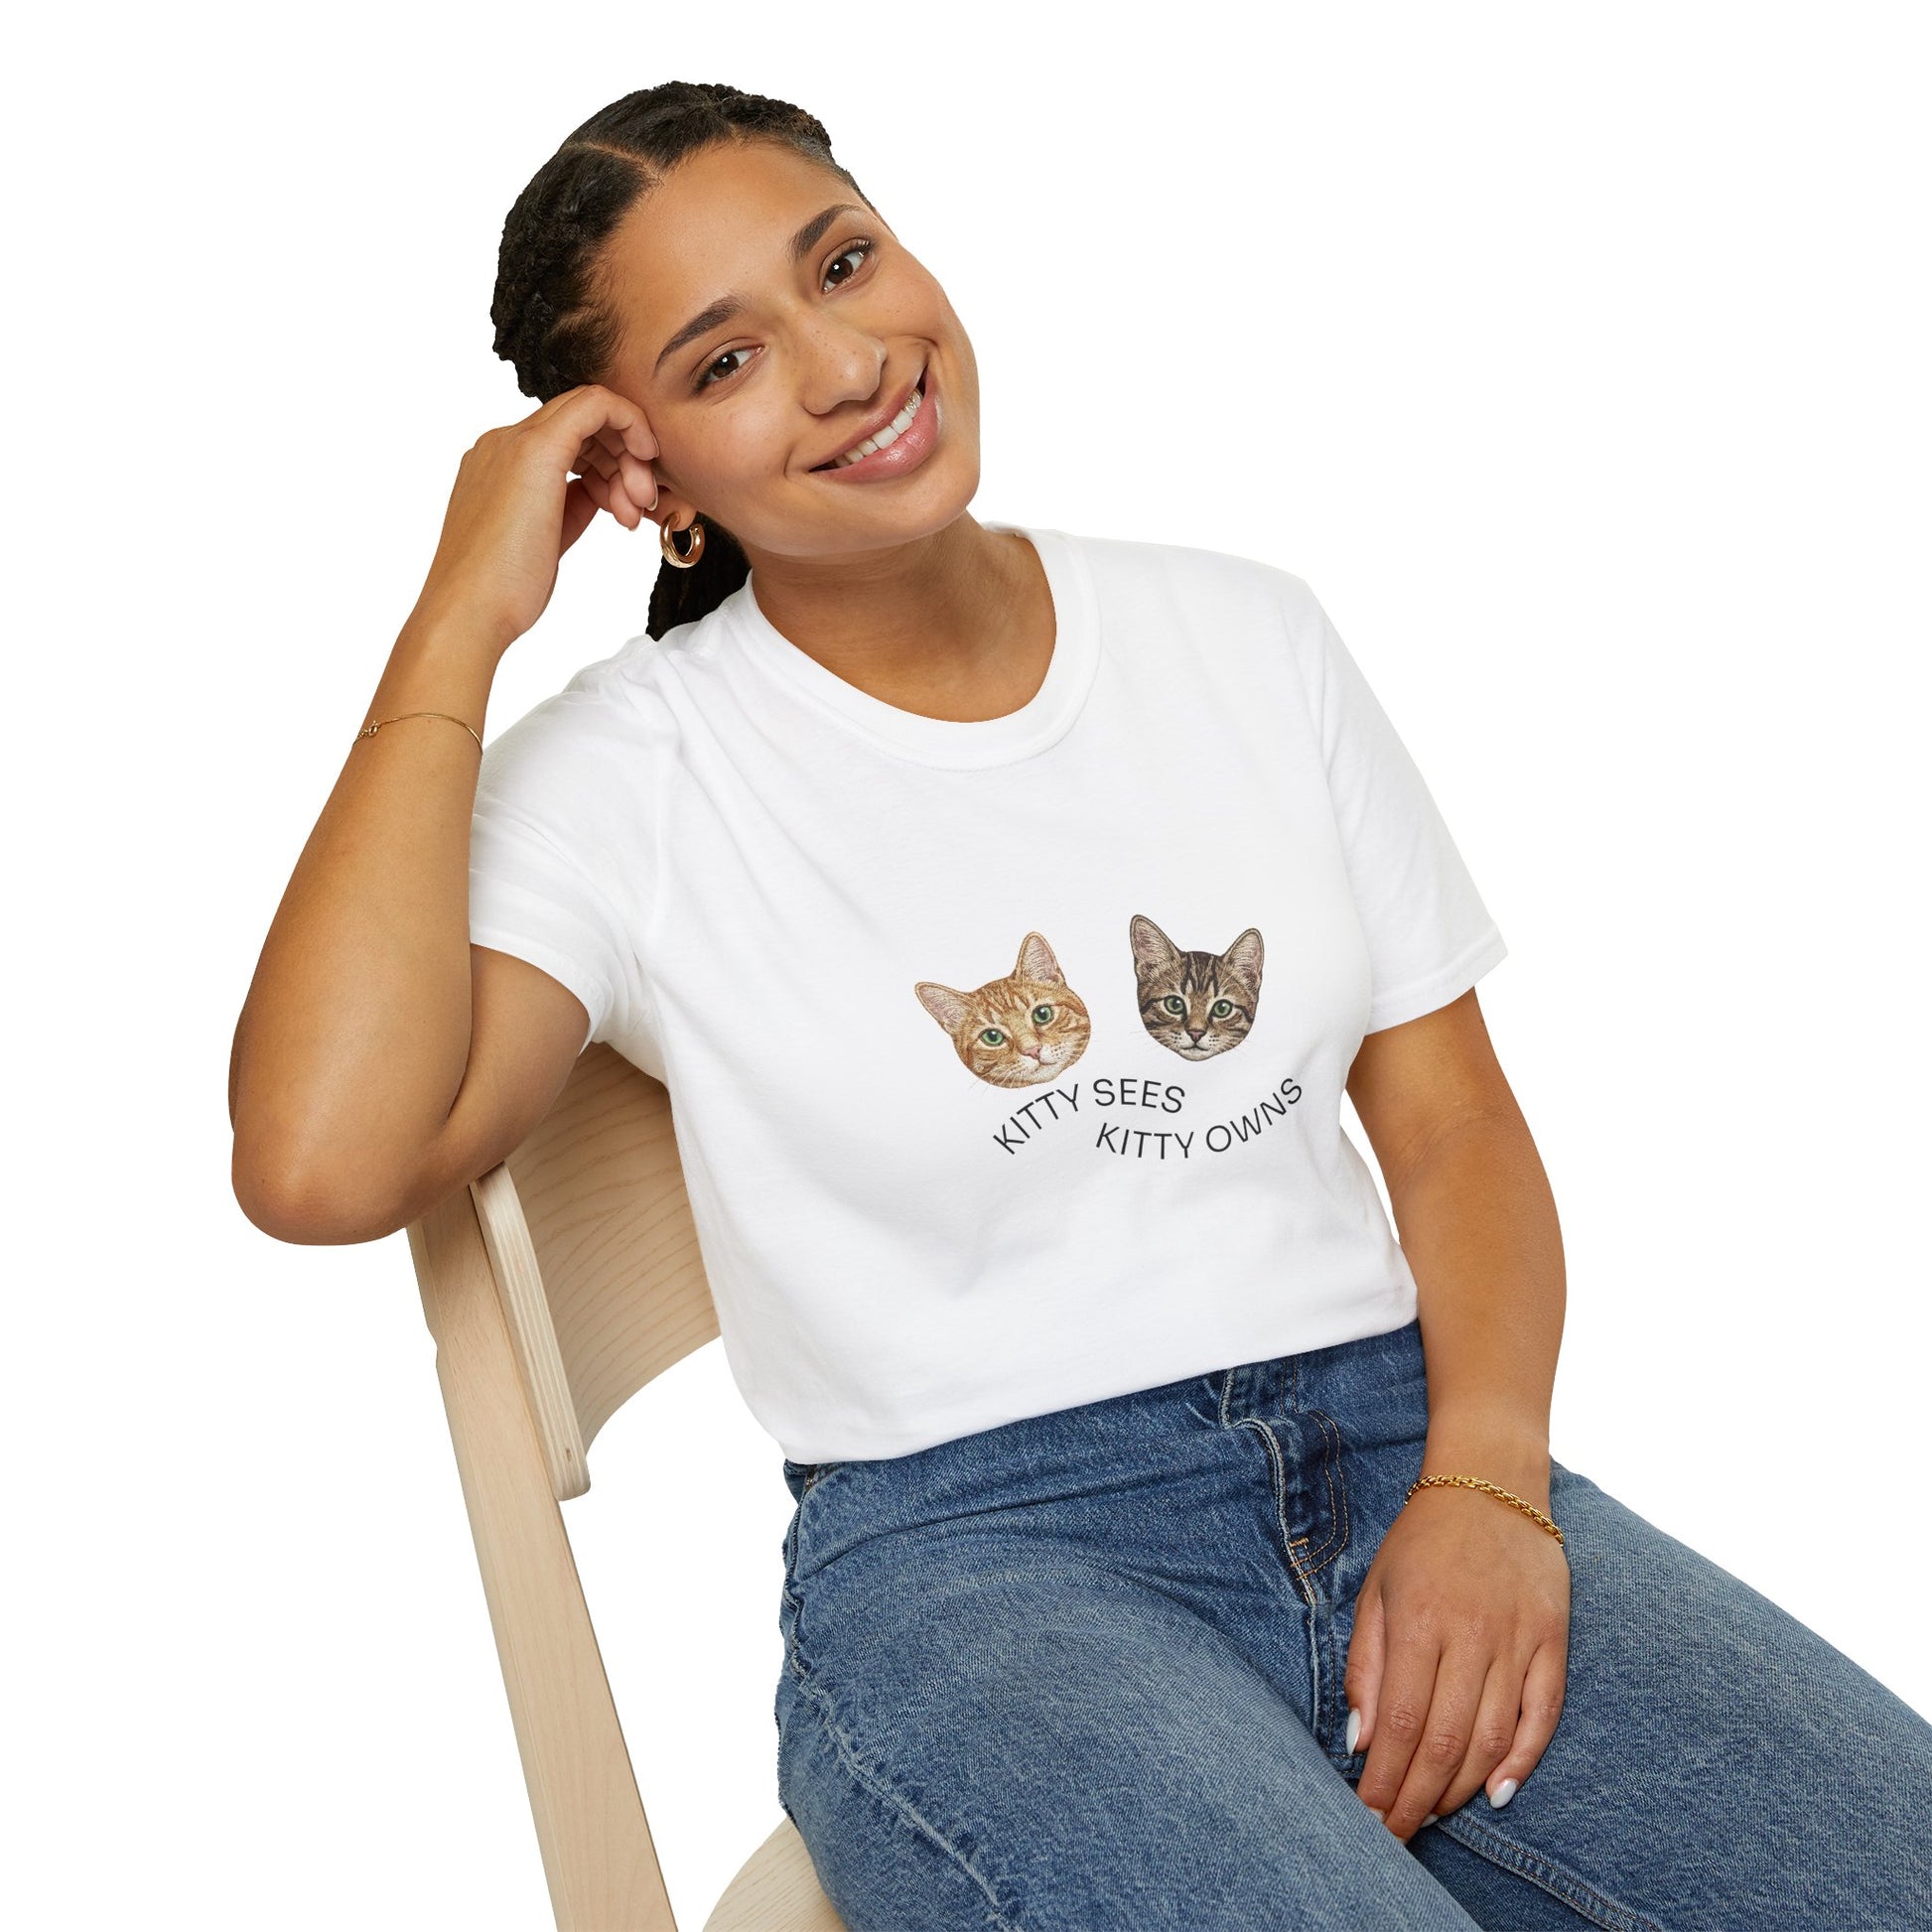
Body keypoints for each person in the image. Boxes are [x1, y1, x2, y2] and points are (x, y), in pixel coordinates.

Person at [228, 80, 1932, 1931]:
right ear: (648, 479)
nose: (847, 365)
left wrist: (1489, 1482)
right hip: (980, 1567)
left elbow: (1451, 1126)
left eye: (843, 264)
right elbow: (320, 1160)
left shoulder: (1246, 634)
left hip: (1404, 1446)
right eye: (726, 361)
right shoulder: (633, 776)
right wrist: (457, 617)